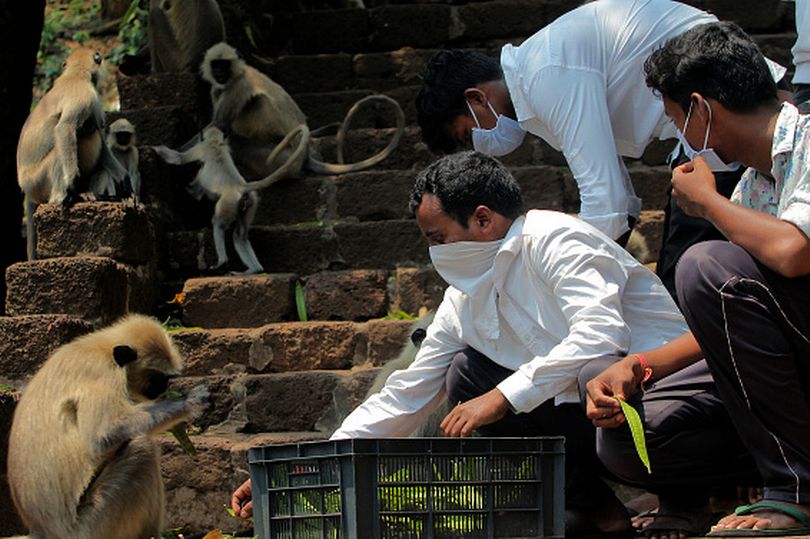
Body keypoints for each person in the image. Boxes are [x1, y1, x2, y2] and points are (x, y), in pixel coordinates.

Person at [586, 21, 810, 538]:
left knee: (703, 264)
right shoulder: (754, 184)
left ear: (701, 110)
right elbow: (738, 316)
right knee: (623, 418)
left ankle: (795, 487)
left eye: (676, 121)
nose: (682, 139)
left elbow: (795, 252)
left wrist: (707, 202)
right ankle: (741, 481)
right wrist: (642, 365)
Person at [415, 0, 787, 300]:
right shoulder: (537, 88)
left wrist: (561, 284)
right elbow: (618, 203)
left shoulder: (545, 74)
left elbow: (607, 204)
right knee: (682, 274)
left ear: (477, 99)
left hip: (726, 107)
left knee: (685, 278)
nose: (481, 146)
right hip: (706, 122)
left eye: (469, 135)